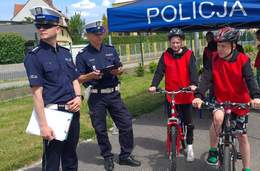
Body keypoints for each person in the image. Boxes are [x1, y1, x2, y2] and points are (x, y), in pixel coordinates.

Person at [192, 27, 260, 171]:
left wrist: (256, 97)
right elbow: (206, 78)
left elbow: (250, 79)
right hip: (221, 99)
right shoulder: (214, 59)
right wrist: (198, 96)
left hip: (240, 102)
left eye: (224, 46)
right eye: (218, 45)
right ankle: (213, 150)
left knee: (242, 136)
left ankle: (246, 168)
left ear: (233, 46)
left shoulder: (243, 60)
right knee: (217, 119)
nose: (220, 49)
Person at [75, 20, 141, 171]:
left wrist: (118, 71)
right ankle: (107, 157)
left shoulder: (110, 49)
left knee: (125, 123)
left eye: (101, 34)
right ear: (87, 35)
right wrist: (90, 76)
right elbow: (78, 78)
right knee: (100, 129)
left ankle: (125, 156)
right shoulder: (82, 55)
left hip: (113, 93)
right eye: (95, 34)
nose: (99, 37)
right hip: (96, 96)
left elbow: (120, 67)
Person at [24, 6, 82, 171]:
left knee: (71, 157)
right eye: (38, 26)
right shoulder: (34, 56)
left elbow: (75, 80)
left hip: (73, 112)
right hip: (53, 115)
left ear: (57, 28)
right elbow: (36, 94)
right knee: (52, 161)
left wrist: (78, 97)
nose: (41, 29)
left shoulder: (65, 53)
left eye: (46, 25)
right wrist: (43, 125)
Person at [148, 28, 198, 162]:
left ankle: (190, 146)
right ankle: (172, 146)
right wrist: (154, 85)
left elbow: (193, 71)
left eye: (178, 42)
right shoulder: (165, 55)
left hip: (185, 94)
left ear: (182, 42)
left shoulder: (189, 54)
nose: (175, 45)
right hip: (171, 94)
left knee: (188, 123)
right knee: (171, 122)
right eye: (173, 42)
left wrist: (193, 83)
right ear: (169, 43)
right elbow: (159, 72)